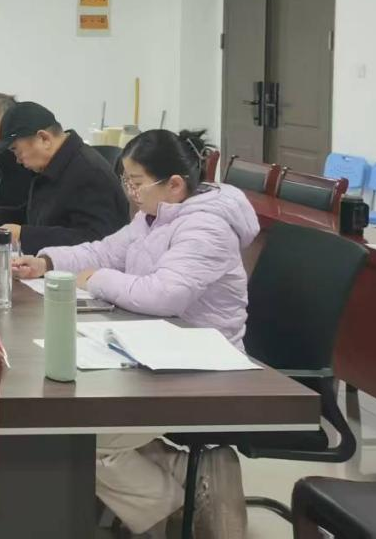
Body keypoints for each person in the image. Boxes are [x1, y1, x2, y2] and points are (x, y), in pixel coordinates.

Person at [13, 129, 257, 539]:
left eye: (136, 182)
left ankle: (175, 509)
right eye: (126, 181)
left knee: (78, 437)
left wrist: (97, 279)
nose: (129, 192)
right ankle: (191, 474)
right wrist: (47, 262)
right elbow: (104, 251)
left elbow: (163, 294)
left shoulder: (207, 226)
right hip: (159, 350)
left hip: (203, 365)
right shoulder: (154, 215)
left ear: (174, 184)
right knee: (77, 425)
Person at [0, 101, 128, 255]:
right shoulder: (55, 164)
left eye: (16, 150)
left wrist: (24, 236)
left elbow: (96, 239)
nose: (17, 160)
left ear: (44, 139)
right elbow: (39, 215)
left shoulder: (88, 172)